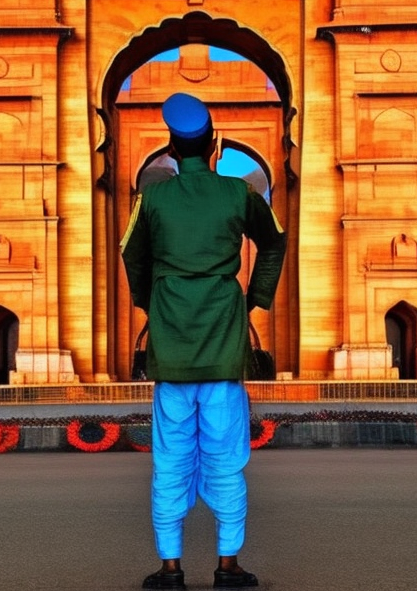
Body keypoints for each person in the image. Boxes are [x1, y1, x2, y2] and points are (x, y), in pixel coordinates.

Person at [120, 92, 286, 590]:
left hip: (171, 352)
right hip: (223, 347)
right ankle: (227, 567)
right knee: (226, 458)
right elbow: (275, 240)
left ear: (170, 151)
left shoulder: (151, 199)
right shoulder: (239, 194)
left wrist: (154, 303)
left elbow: (132, 255)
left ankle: (170, 569)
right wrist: (255, 296)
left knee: (170, 459)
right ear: (215, 146)